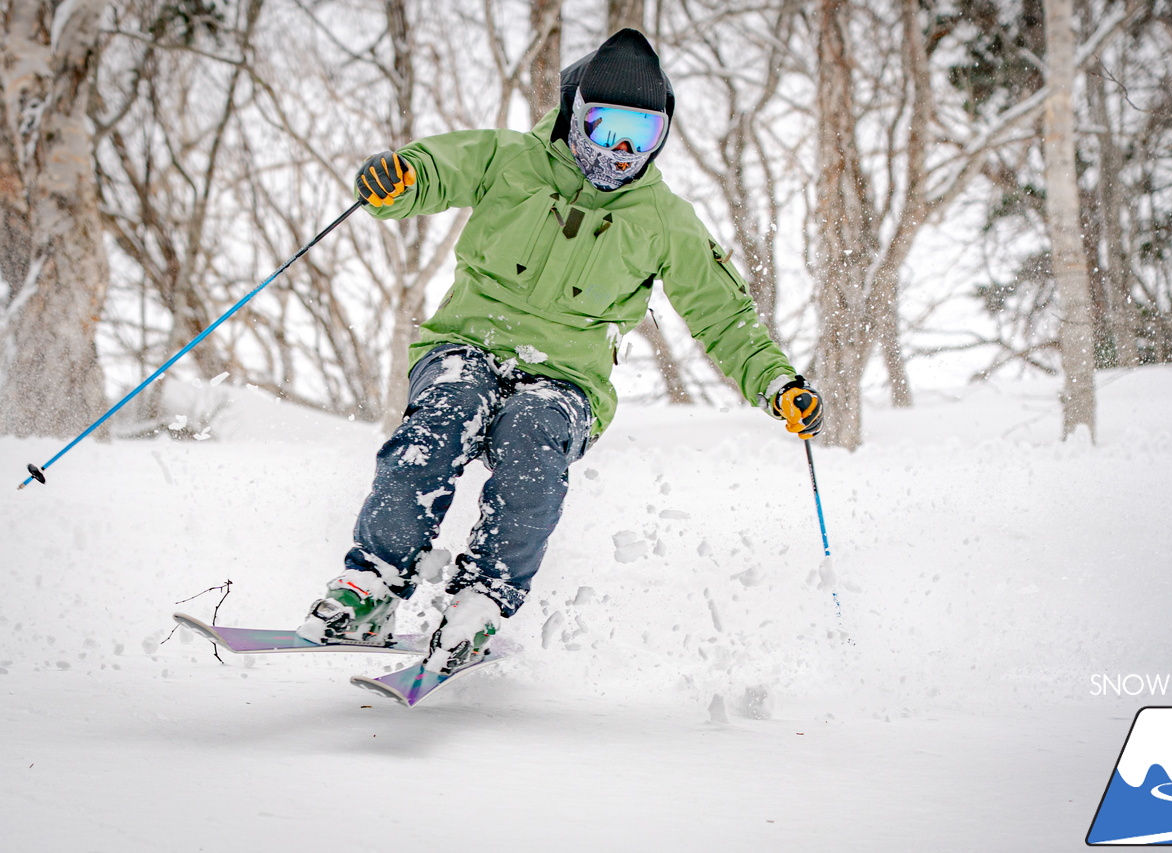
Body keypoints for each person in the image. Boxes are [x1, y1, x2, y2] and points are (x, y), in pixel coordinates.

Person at [297, 29, 824, 675]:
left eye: (643, 134)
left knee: (531, 439)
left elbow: (723, 314)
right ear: (576, 115)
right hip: (470, 343)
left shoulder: (663, 219)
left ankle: (482, 601)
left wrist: (776, 381)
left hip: (568, 378)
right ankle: (373, 585)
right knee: (442, 417)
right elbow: (435, 169)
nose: (623, 150)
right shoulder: (510, 160)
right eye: (606, 128)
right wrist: (397, 178)